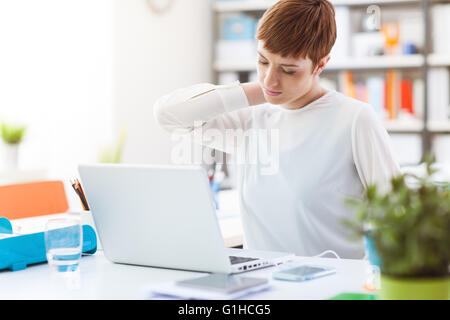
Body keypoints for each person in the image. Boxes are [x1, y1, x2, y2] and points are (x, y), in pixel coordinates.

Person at [154, 0, 400, 259]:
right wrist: (261, 92)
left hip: (333, 290)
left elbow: (399, 218)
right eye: (262, 61)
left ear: (320, 65)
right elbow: (169, 115)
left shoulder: (354, 120)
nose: (270, 78)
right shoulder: (251, 119)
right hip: (260, 288)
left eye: (288, 70)